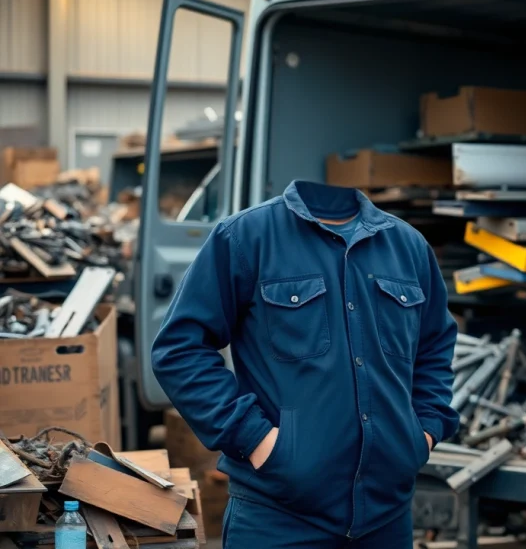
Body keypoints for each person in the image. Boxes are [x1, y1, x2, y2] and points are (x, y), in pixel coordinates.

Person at [151, 180, 461, 548]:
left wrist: (420, 434)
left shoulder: (408, 247)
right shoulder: (246, 237)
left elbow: (434, 347)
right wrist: (255, 438)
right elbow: (179, 349)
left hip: (386, 520)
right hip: (278, 518)